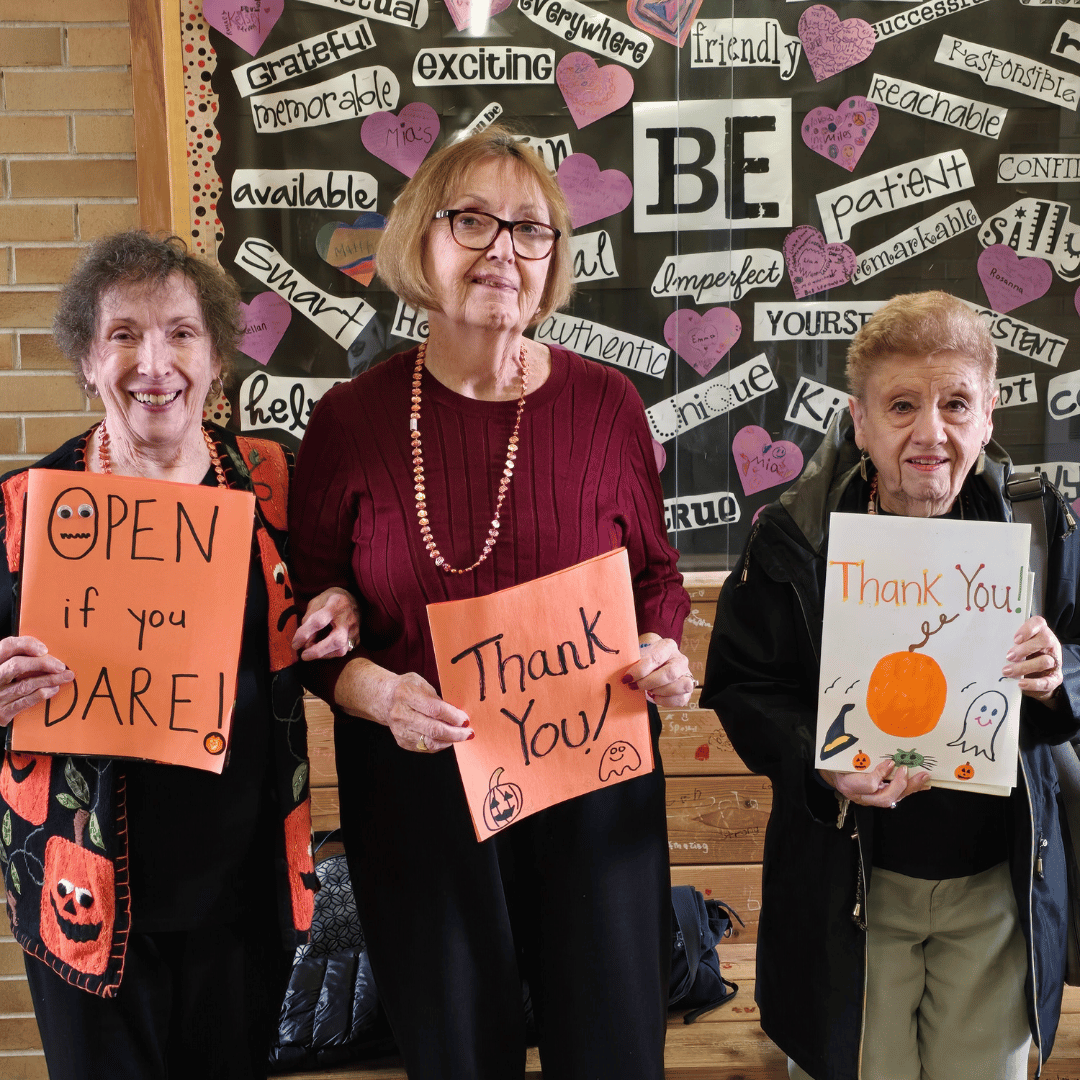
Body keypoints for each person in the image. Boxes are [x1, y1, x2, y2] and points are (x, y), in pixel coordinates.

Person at [289, 125, 693, 1080]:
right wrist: (377, 692)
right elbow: (305, 625)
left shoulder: (608, 406)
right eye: (470, 220)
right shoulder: (350, 420)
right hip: (421, 802)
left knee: (610, 1055)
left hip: (593, 787)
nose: (501, 250)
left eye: (529, 228)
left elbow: (659, 579)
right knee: (458, 1058)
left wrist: (660, 647)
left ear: (553, 258)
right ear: (420, 243)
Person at [0, 231, 358, 1079]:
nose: (152, 361)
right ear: (88, 360)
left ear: (216, 357)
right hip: (77, 894)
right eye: (123, 334)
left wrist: (346, 605)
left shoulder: (275, 480)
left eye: (180, 333)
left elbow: (341, 597)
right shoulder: (21, 510)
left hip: (244, 891)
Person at [701, 291, 1080, 1080]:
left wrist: (1057, 676)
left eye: (955, 404)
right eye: (901, 406)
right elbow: (742, 684)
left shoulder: (1042, 524)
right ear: (859, 419)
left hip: (995, 889)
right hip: (853, 892)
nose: (930, 434)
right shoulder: (793, 538)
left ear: (989, 412)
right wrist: (819, 755)